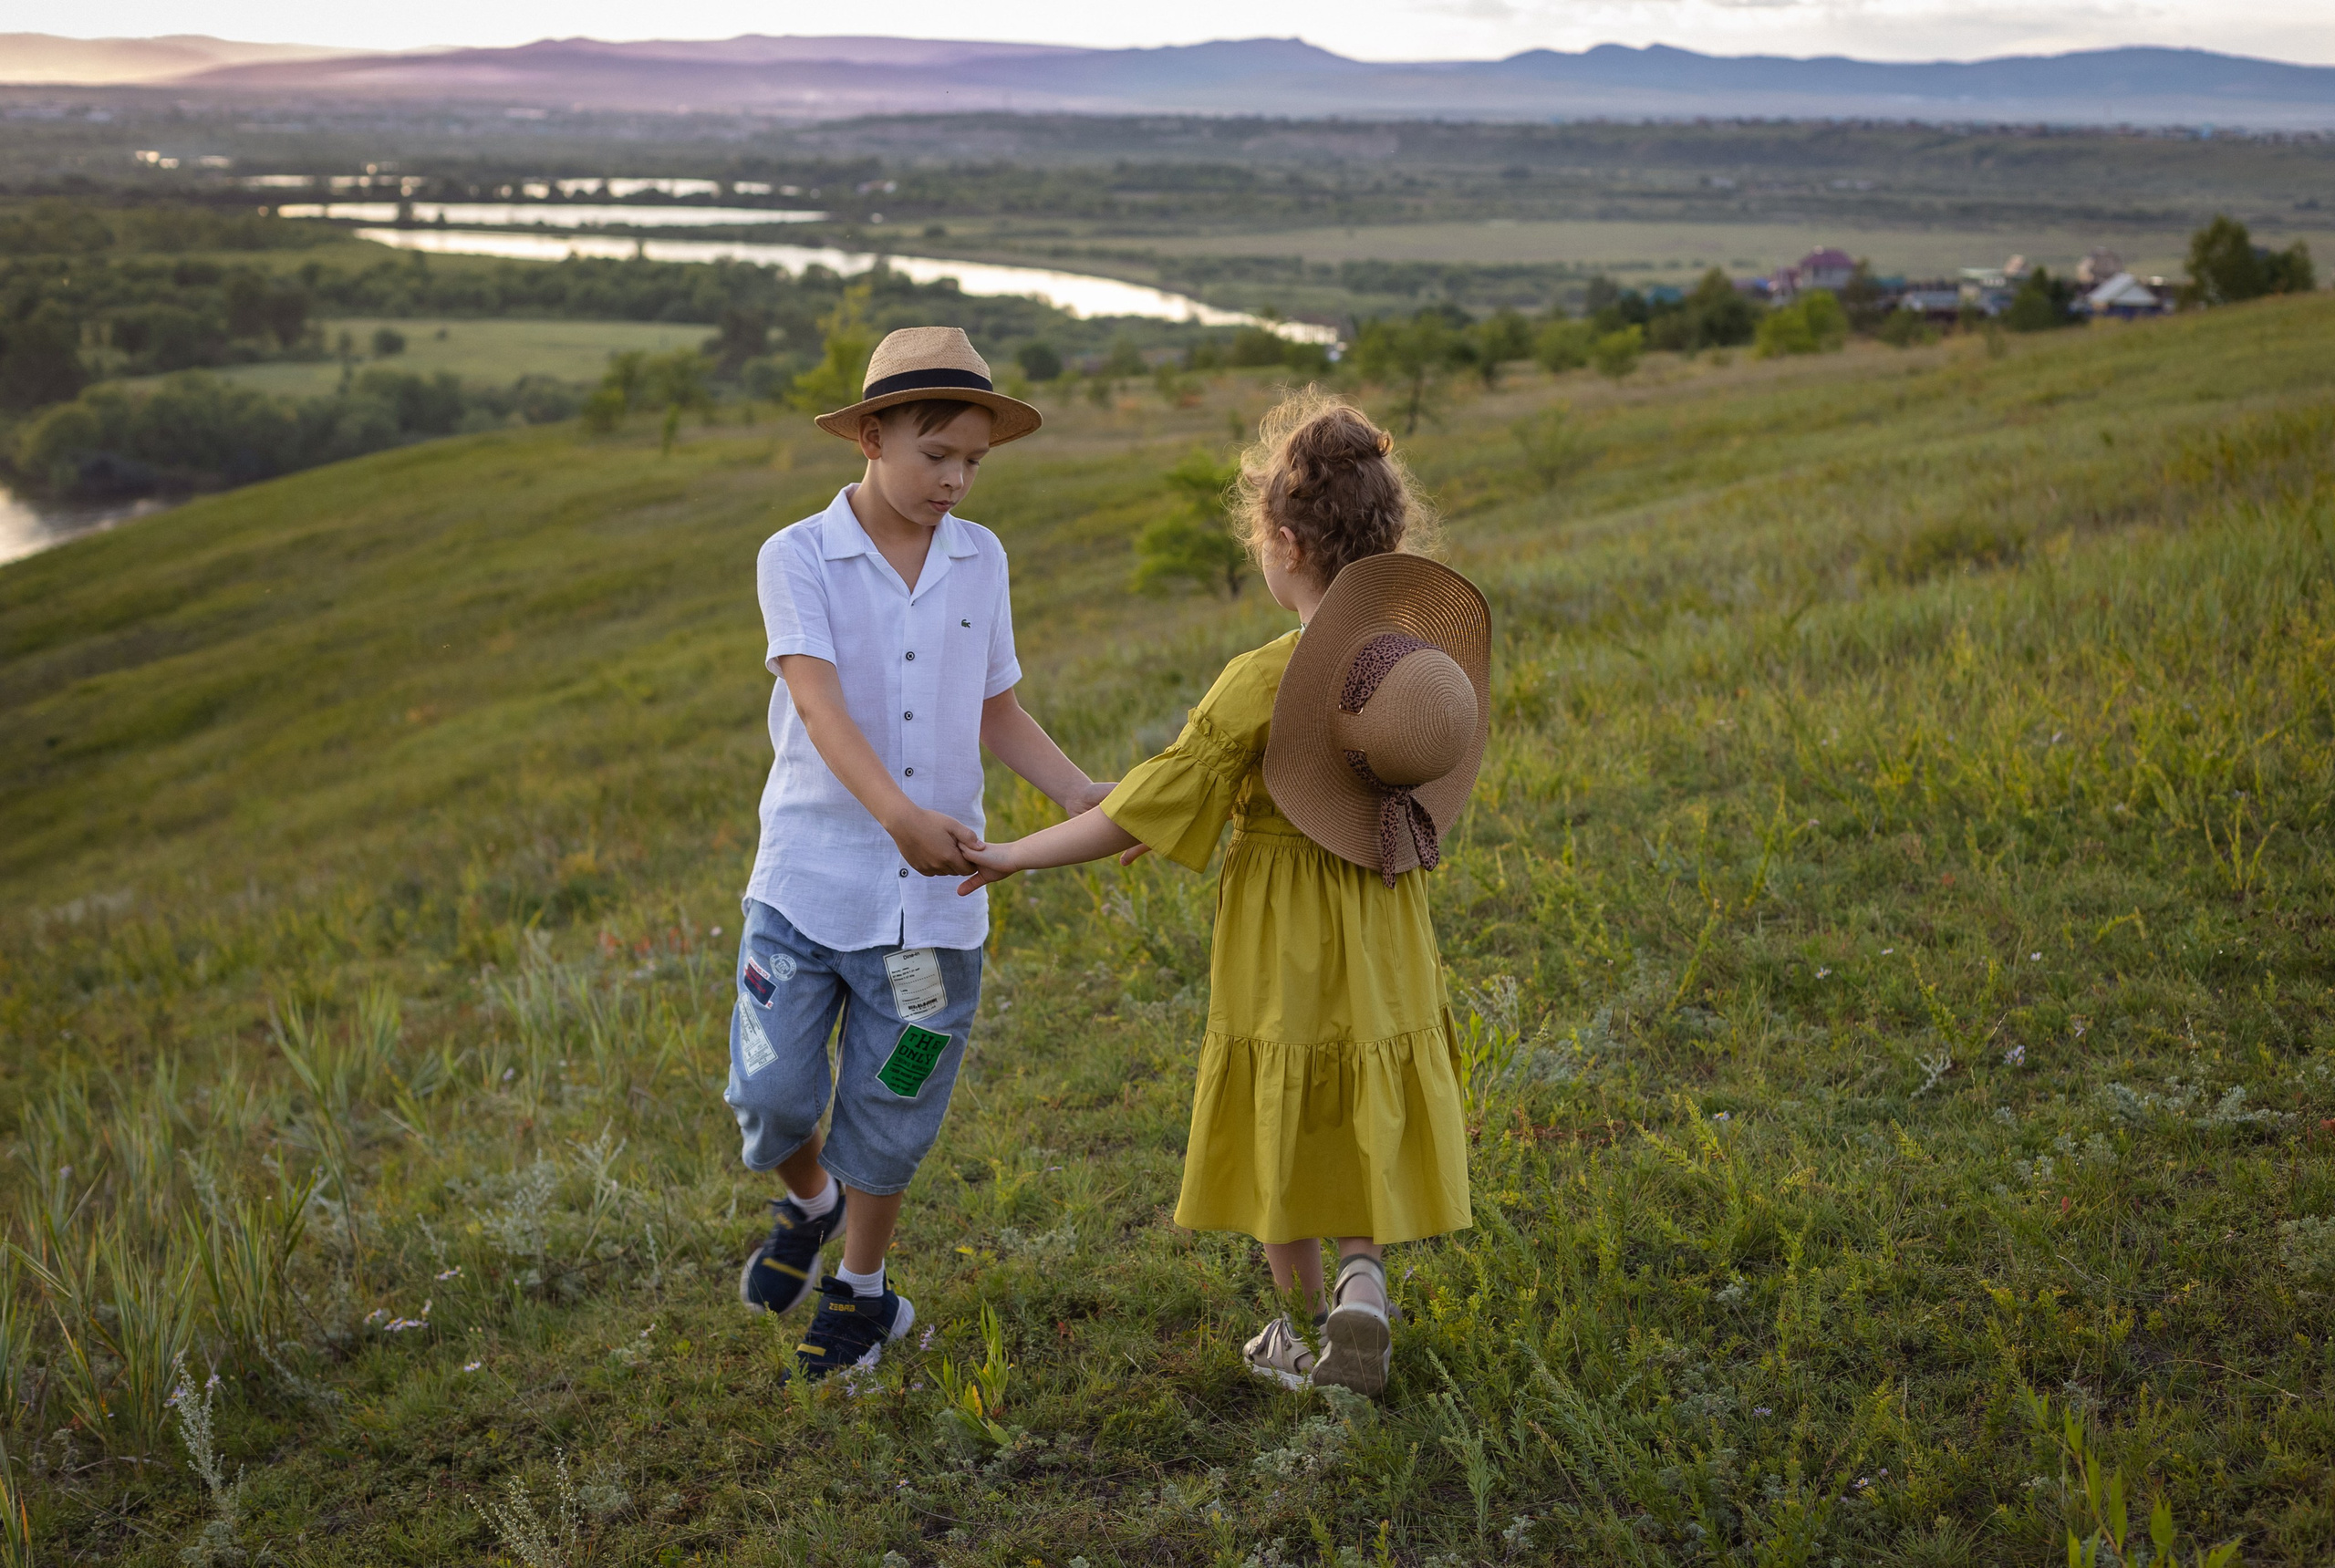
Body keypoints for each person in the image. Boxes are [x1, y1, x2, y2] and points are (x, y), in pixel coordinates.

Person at [956, 393, 1488, 1397]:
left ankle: (1297, 1332)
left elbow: (1143, 807)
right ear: (1390, 539)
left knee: (1282, 1101)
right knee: (1357, 1085)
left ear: (1282, 542)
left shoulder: (1261, 679)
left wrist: (1017, 852)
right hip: (1378, 918)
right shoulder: (1414, 667)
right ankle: (1363, 1276)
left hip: (1283, 921)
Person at [730, 326, 1113, 1381]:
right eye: (934, 452)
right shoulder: (796, 556)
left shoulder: (980, 557)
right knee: (770, 1095)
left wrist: (1078, 791)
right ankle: (806, 1201)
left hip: (928, 924)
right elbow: (814, 701)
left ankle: (862, 1289)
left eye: (974, 462)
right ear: (868, 434)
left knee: (893, 1101)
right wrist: (896, 812)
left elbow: (996, 704)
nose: (955, 479)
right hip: (805, 897)